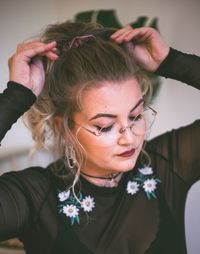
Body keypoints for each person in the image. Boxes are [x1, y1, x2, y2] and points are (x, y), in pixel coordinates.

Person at [0, 21, 199, 254]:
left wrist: (172, 61)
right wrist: (15, 97)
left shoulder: (167, 164)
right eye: (105, 127)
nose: (130, 139)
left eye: (135, 116)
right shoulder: (35, 198)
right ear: (64, 128)